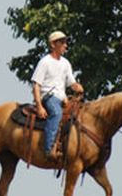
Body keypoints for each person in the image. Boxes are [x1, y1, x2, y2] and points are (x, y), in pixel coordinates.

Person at [31, 30, 84, 161]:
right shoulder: (45, 62)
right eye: (62, 42)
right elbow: (36, 85)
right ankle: (49, 149)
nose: (65, 45)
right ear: (53, 44)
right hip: (49, 97)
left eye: (66, 42)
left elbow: (71, 82)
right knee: (56, 113)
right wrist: (39, 106)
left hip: (62, 98)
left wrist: (77, 87)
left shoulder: (65, 63)